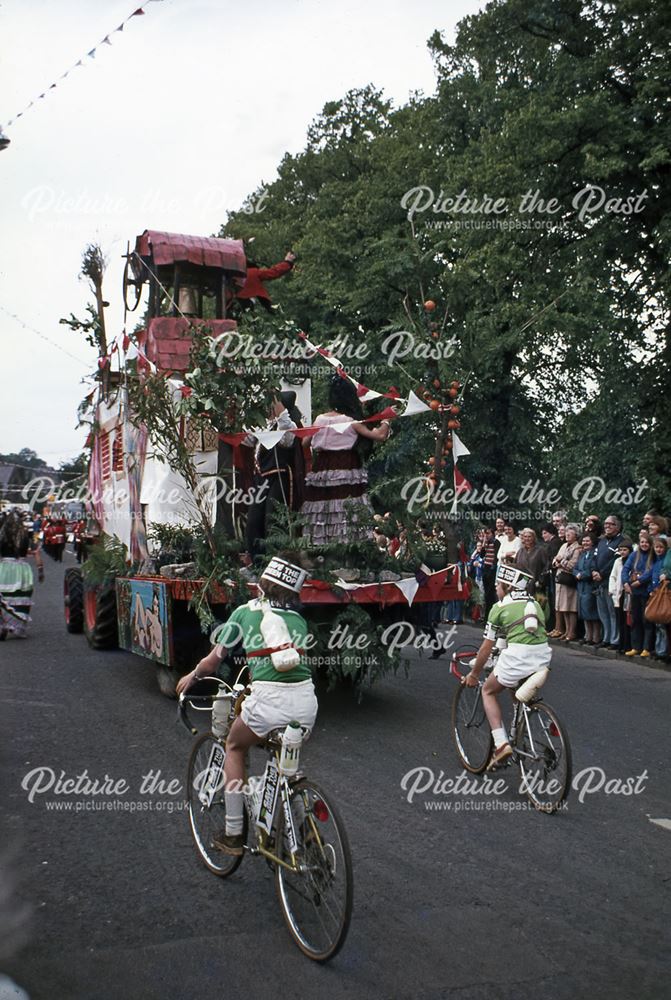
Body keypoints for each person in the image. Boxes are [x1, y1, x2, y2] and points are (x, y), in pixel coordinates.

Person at [176, 557, 317, 856]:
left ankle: (233, 833)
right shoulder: (299, 621)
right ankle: (304, 829)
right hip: (306, 703)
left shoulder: (243, 612)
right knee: (285, 761)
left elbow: (215, 660)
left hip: (268, 701)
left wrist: (192, 676)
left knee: (234, 746)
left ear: (262, 585)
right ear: (292, 593)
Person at [462, 564, 551, 769]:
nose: (495, 589)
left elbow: (486, 647)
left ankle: (501, 744)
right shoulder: (534, 604)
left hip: (518, 658)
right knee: (516, 688)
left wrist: (475, 674)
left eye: (497, 585)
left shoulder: (499, 608)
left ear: (507, 586)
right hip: (542, 656)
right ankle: (518, 731)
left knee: (488, 690)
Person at [301, 375, 390, 545]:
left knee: (323, 507)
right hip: (346, 464)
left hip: (322, 466)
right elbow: (379, 435)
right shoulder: (349, 421)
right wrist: (387, 420)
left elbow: (305, 443)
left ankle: (323, 545)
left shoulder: (320, 419)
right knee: (346, 506)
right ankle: (347, 546)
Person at [244, 391, 305, 559]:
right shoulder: (264, 426)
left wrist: (276, 402)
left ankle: (276, 560)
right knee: (253, 521)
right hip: (261, 479)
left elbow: (284, 428)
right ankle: (257, 562)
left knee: (273, 521)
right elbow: (247, 439)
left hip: (279, 479)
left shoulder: (290, 426)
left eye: (271, 406)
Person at [0, 513, 43, 639]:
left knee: (4, 598)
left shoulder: (2, 538)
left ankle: (2, 626)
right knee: (22, 598)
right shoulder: (25, 537)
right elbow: (36, 553)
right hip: (22, 569)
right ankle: (18, 627)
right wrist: (40, 571)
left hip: (4, 569)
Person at [592, 515, 624, 647]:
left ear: (617, 526)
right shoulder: (601, 541)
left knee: (612, 612)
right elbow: (594, 557)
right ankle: (606, 638)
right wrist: (594, 571)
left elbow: (614, 562)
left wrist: (602, 574)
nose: (607, 526)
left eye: (610, 524)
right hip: (598, 582)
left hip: (610, 583)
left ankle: (614, 639)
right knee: (603, 612)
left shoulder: (621, 541)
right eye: (605, 524)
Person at [230, 251, 297, 313]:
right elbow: (273, 272)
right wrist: (287, 263)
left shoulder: (228, 276)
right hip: (243, 306)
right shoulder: (253, 272)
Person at [622, 530, 655, 656]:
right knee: (635, 619)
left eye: (647, 542)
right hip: (634, 591)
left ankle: (647, 647)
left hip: (646, 591)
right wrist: (625, 582)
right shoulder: (634, 555)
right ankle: (636, 646)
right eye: (642, 542)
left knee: (646, 620)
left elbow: (651, 570)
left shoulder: (652, 556)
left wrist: (640, 581)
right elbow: (626, 569)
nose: (644, 544)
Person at [549, 523, 581, 640]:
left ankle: (572, 632)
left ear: (576, 535)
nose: (567, 534)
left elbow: (573, 565)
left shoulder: (577, 548)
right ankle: (566, 631)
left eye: (570, 533)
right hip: (560, 579)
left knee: (571, 607)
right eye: (566, 532)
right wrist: (557, 562)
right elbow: (555, 559)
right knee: (563, 607)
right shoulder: (563, 546)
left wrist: (560, 562)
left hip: (569, 580)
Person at [573, 533, 601, 645]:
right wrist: (576, 574)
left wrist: (582, 575)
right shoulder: (582, 554)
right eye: (583, 541)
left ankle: (595, 637)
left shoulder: (594, 554)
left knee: (592, 612)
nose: (585, 543)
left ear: (592, 542)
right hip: (581, 586)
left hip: (590, 585)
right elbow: (575, 568)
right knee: (584, 612)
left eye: (587, 541)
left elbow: (593, 568)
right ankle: (587, 635)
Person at [611, 538, 634, 654]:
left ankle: (628, 645)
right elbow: (613, 576)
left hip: (628, 592)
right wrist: (612, 590)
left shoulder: (632, 561)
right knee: (620, 620)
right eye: (621, 550)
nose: (623, 552)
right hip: (619, 593)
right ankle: (621, 643)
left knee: (628, 620)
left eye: (625, 550)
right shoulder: (618, 561)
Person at [647, 537, 668, 660]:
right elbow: (651, 577)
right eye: (656, 547)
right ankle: (658, 648)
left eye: (661, 547)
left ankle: (663, 650)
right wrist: (650, 589)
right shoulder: (655, 562)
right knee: (657, 624)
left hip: (662, 594)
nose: (658, 550)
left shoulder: (664, 561)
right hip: (655, 594)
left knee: (662, 624)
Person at [515, 528, 548, 596]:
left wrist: (540, 581)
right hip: (521, 586)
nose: (527, 539)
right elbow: (515, 566)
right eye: (525, 536)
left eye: (529, 536)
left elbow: (546, 567)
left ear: (534, 537)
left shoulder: (540, 551)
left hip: (536, 585)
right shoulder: (520, 551)